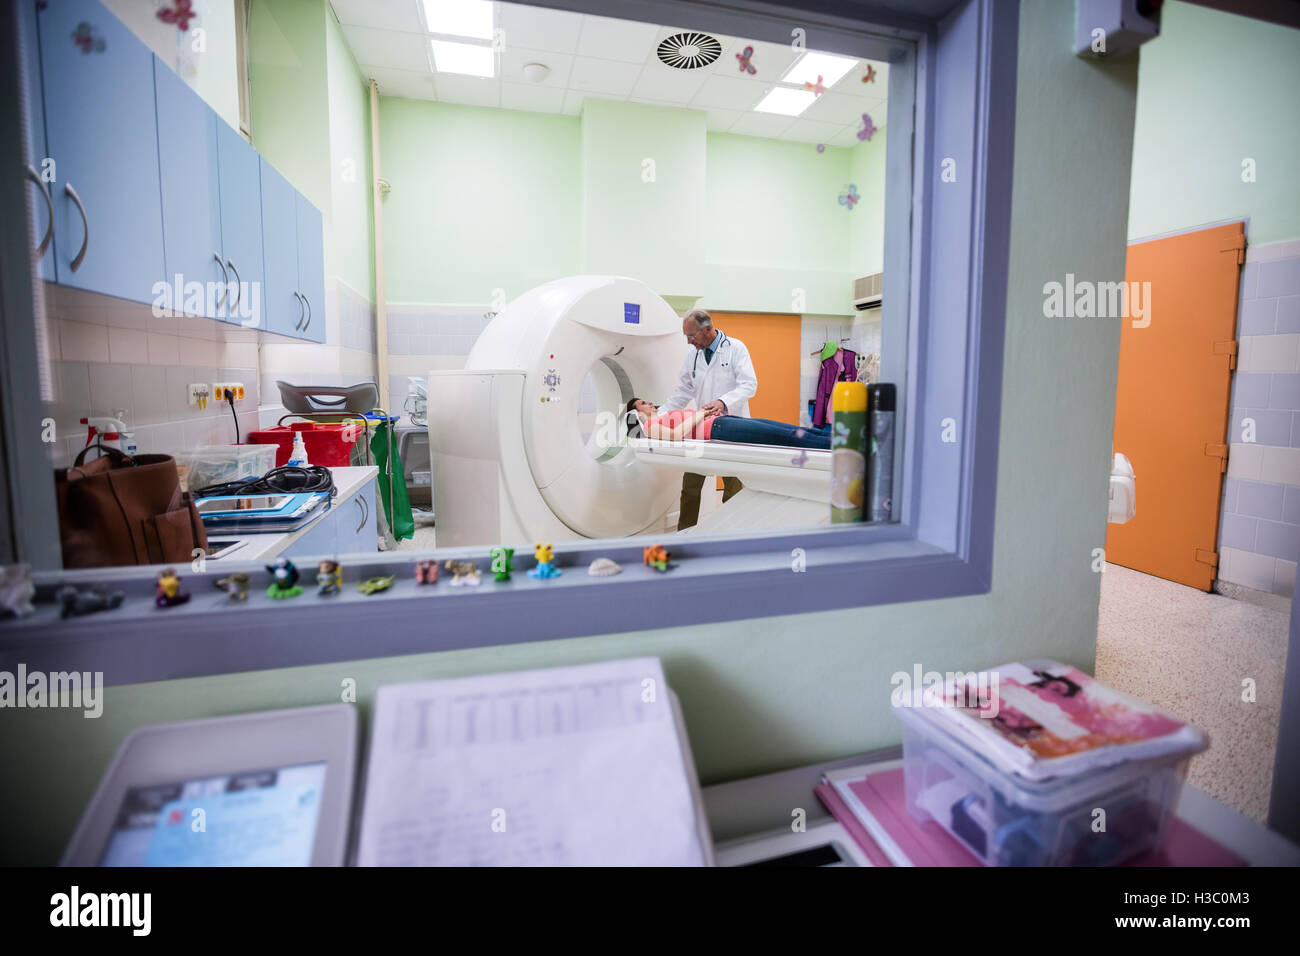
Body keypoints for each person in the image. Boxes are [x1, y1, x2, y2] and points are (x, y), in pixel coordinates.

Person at [659, 309, 758, 529]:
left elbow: (749, 385)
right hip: (702, 430)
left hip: (732, 428)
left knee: (732, 490)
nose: (688, 341)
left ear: (707, 330)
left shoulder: (735, 348)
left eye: (691, 336)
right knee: (690, 487)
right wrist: (659, 417)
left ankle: (728, 535)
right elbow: (683, 392)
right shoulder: (692, 355)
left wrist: (723, 402)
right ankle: (684, 536)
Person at [627, 398, 830, 448]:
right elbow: (676, 435)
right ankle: (842, 446)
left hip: (721, 420)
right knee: (785, 436)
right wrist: (699, 414)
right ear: (637, 413)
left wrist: (705, 413)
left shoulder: (665, 415)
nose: (650, 403)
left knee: (792, 429)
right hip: (717, 429)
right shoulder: (649, 426)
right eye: (643, 403)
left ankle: (836, 438)